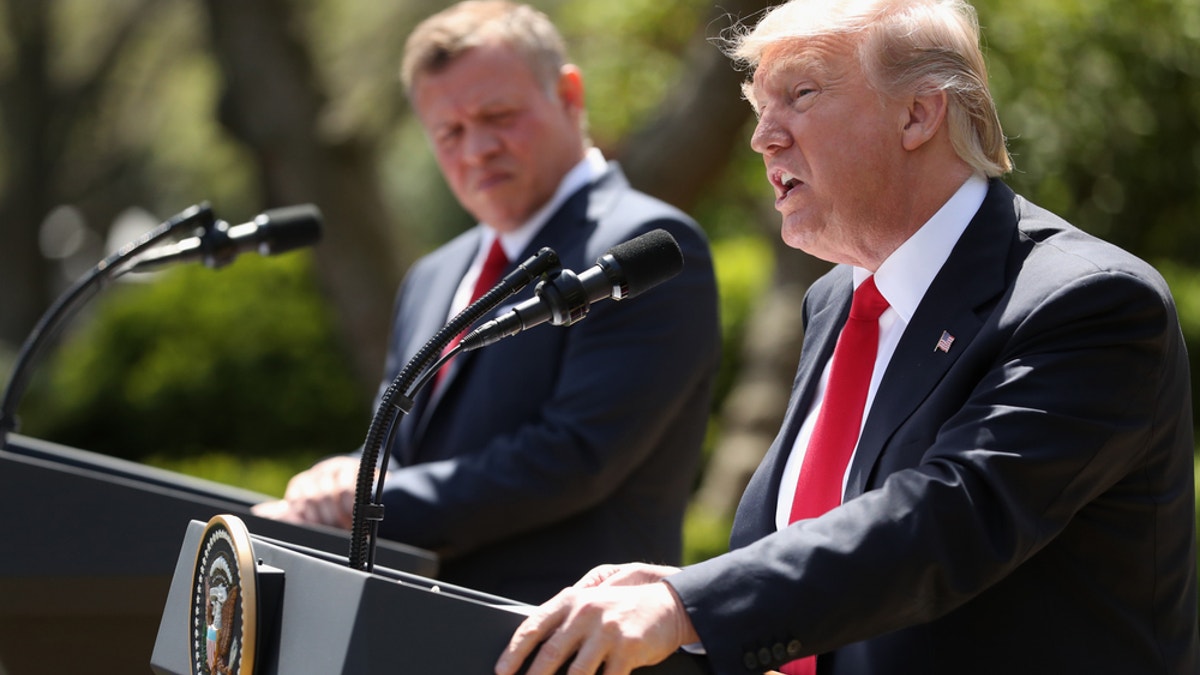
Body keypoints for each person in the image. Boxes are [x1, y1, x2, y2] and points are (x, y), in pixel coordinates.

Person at [495, 0, 1200, 673]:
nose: (763, 135)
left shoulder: (1088, 302)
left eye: (800, 95)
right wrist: (703, 589)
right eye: (758, 108)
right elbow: (828, 544)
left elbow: (945, 521)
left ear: (919, 115)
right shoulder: (835, 298)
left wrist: (692, 604)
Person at [253, 0, 721, 604]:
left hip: (564, 635)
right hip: (406, 626)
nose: (476, 149)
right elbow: (404, 448)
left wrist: (364, 504)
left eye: (497, 116)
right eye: (449, 132)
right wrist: (341, 477)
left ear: (569, 94)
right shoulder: (433, 274)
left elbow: (574, 456)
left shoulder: (639, 248)